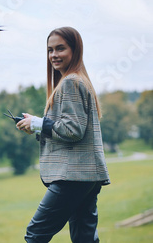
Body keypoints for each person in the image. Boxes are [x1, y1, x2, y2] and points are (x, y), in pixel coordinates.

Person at [16, 27, 110, 242]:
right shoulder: (78, 80)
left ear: (75, 50)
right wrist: (37, 123)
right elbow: (73, 126)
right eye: (50, 50)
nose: (54, 55)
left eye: (60, 48)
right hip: (87, 175)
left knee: (36, 234)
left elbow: (72, 130)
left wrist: (39, 124)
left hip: (73, 175)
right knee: (84, 237)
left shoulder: (70, 82)